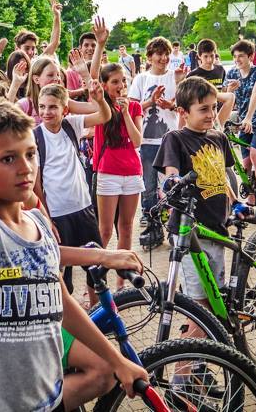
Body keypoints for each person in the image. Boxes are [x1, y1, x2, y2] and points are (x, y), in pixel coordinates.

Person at [0, 6, 147, 410]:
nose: (26, 167)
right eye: (8, 159)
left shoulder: (36, 221)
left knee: (99, 369)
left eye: (29, 154)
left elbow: (56, 294)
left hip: (48, 398)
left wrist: (118, 360)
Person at [154, 77, 238, 332]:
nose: (212, 114)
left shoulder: (218, 137)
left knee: (214, 299)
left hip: (217, 228)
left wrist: (237, 202)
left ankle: (202, 360)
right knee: (199, 306)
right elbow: (171, 172)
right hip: (190, 232)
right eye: (204, 109)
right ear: (182, 112)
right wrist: (172, 181)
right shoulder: (176, 138)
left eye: (214, 107)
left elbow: (221, 177)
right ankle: (184, 370)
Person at [33, 83, 111, 304]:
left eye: (52, 107)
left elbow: (104, 116)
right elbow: (36, 184)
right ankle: (65, 320)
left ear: (64, 109)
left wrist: (100, 98)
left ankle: (97, 309)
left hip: (83, 208)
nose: (46, 112)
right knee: (60, 274)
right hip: (57, 214)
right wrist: (47, 219)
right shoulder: (36, 137)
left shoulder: (72, 125)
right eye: (42, 107)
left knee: (96, 267)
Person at [129, 36, 185, 225]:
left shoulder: (175, 76)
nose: (164, 58)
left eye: (167, 54)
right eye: (159, 54)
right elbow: (132, 107)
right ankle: (149, 215)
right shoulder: (141, 79)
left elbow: (184, 105)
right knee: (149, 183)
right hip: (147, 140)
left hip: (170, 138)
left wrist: (171, 105)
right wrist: (151, 101)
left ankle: (172, 216)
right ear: (150, 57)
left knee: (171, 182)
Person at [96, 63, 143, 278]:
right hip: (108, 174)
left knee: (126, 228)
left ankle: (123, 283)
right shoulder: (100, 106)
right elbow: (91, 83)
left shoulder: (134, 107)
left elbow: (136, 141)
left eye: (123, 80)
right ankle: (95, 280)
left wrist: (125, 113)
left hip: (132, 173)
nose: (121, 85)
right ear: (104, 85)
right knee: (105, 231)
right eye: (115, 81)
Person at [225, 40, 256, 210]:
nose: (237, 60)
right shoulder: (231, 73)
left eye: (241, 56)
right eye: (235, 56)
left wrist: (248, 118)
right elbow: (227, 99)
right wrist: (230, 90)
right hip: (243, 120)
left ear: (251, 56)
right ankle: (251, 197)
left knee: (255, 154)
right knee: (245, 162)